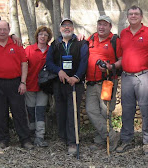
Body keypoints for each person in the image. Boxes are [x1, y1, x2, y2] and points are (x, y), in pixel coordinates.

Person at [116, 5, 148, 154]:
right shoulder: (123, 33)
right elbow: (121, 56)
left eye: (136, 14)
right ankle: (126, 139)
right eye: (131, 14)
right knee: (127, 110)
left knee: (146, 108)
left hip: (144, 75)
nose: (133, 16)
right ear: (127, 17)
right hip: (126, 76)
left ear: (141, 16)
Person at [0, 20, 33, 149]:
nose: (2, 32)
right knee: (0, 113)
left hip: (15, 82)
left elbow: (24, 63)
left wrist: (23, 82)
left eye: (4, 29)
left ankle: (25, 139)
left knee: (19, 112)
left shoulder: (16, 44)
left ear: (9, 30)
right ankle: (2, 139)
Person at [46, 18, 89, 155]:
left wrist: (76, 77)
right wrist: (59, 71)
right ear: (60, 29)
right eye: (64, 26)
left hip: (75, 84)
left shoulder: (81, 43)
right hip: (59, 84)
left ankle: (72, 141)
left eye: (69, 26)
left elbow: (84, 62)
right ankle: (62, 137)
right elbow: (49, 62)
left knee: (72, 112)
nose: (66, 28)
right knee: (61, 110)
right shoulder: (55, 44)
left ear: (73, 29)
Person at [85, 15, 122, 152]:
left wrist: (111, 66)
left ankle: (101, 140)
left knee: (105, 111)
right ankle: (112, 136)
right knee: (91, 110)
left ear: (110, 26)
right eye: (99, 24)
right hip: (91, 82)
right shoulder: (91, 38)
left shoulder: (114, 40)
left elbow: (121, 60)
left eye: (104, 24)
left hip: (107, 81)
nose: (101, 27)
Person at [25, 26, 53, 147]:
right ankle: (31, 133)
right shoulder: (29, 49)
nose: (43, 36)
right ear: (37, 36)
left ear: (48, 38)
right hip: (29, 85)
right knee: (31, 111)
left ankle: (40, 136)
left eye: (45, 35)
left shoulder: (51, 50)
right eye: (41, 34)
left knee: (40, 111)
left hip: (44, 87)